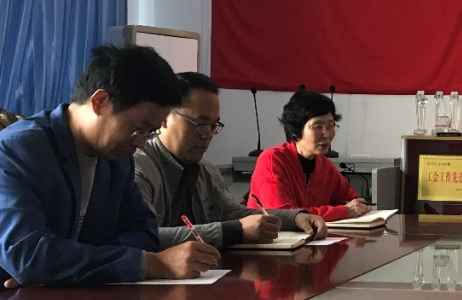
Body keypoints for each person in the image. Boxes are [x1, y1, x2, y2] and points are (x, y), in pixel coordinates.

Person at [0, 45, 220, 297]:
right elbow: (28, 255)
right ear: (100, 102)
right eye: (139, 128)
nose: (141, 143)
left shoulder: (117, 159)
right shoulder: (13, 153)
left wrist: (59, 268)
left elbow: (145, 231)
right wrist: (150, 264)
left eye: (150, 132)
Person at [134, 72, 327, 249]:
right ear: (165, 118)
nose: (208, 135)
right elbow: (141, 236)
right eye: (201, 124)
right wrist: (233, 231)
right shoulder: (138, 166)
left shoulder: (205, 169)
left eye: (214, 126)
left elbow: (231, 213)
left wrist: (295, 218)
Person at [247, 90, 370, 221]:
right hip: (275, 233)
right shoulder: (272, 160)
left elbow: (353, 202)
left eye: (330, 125)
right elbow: (283, 214)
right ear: (295, 130)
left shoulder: (325, 165)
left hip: (315, 232)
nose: (327, 134)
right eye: (318, 127)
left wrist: (359, 207)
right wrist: (342, 211)